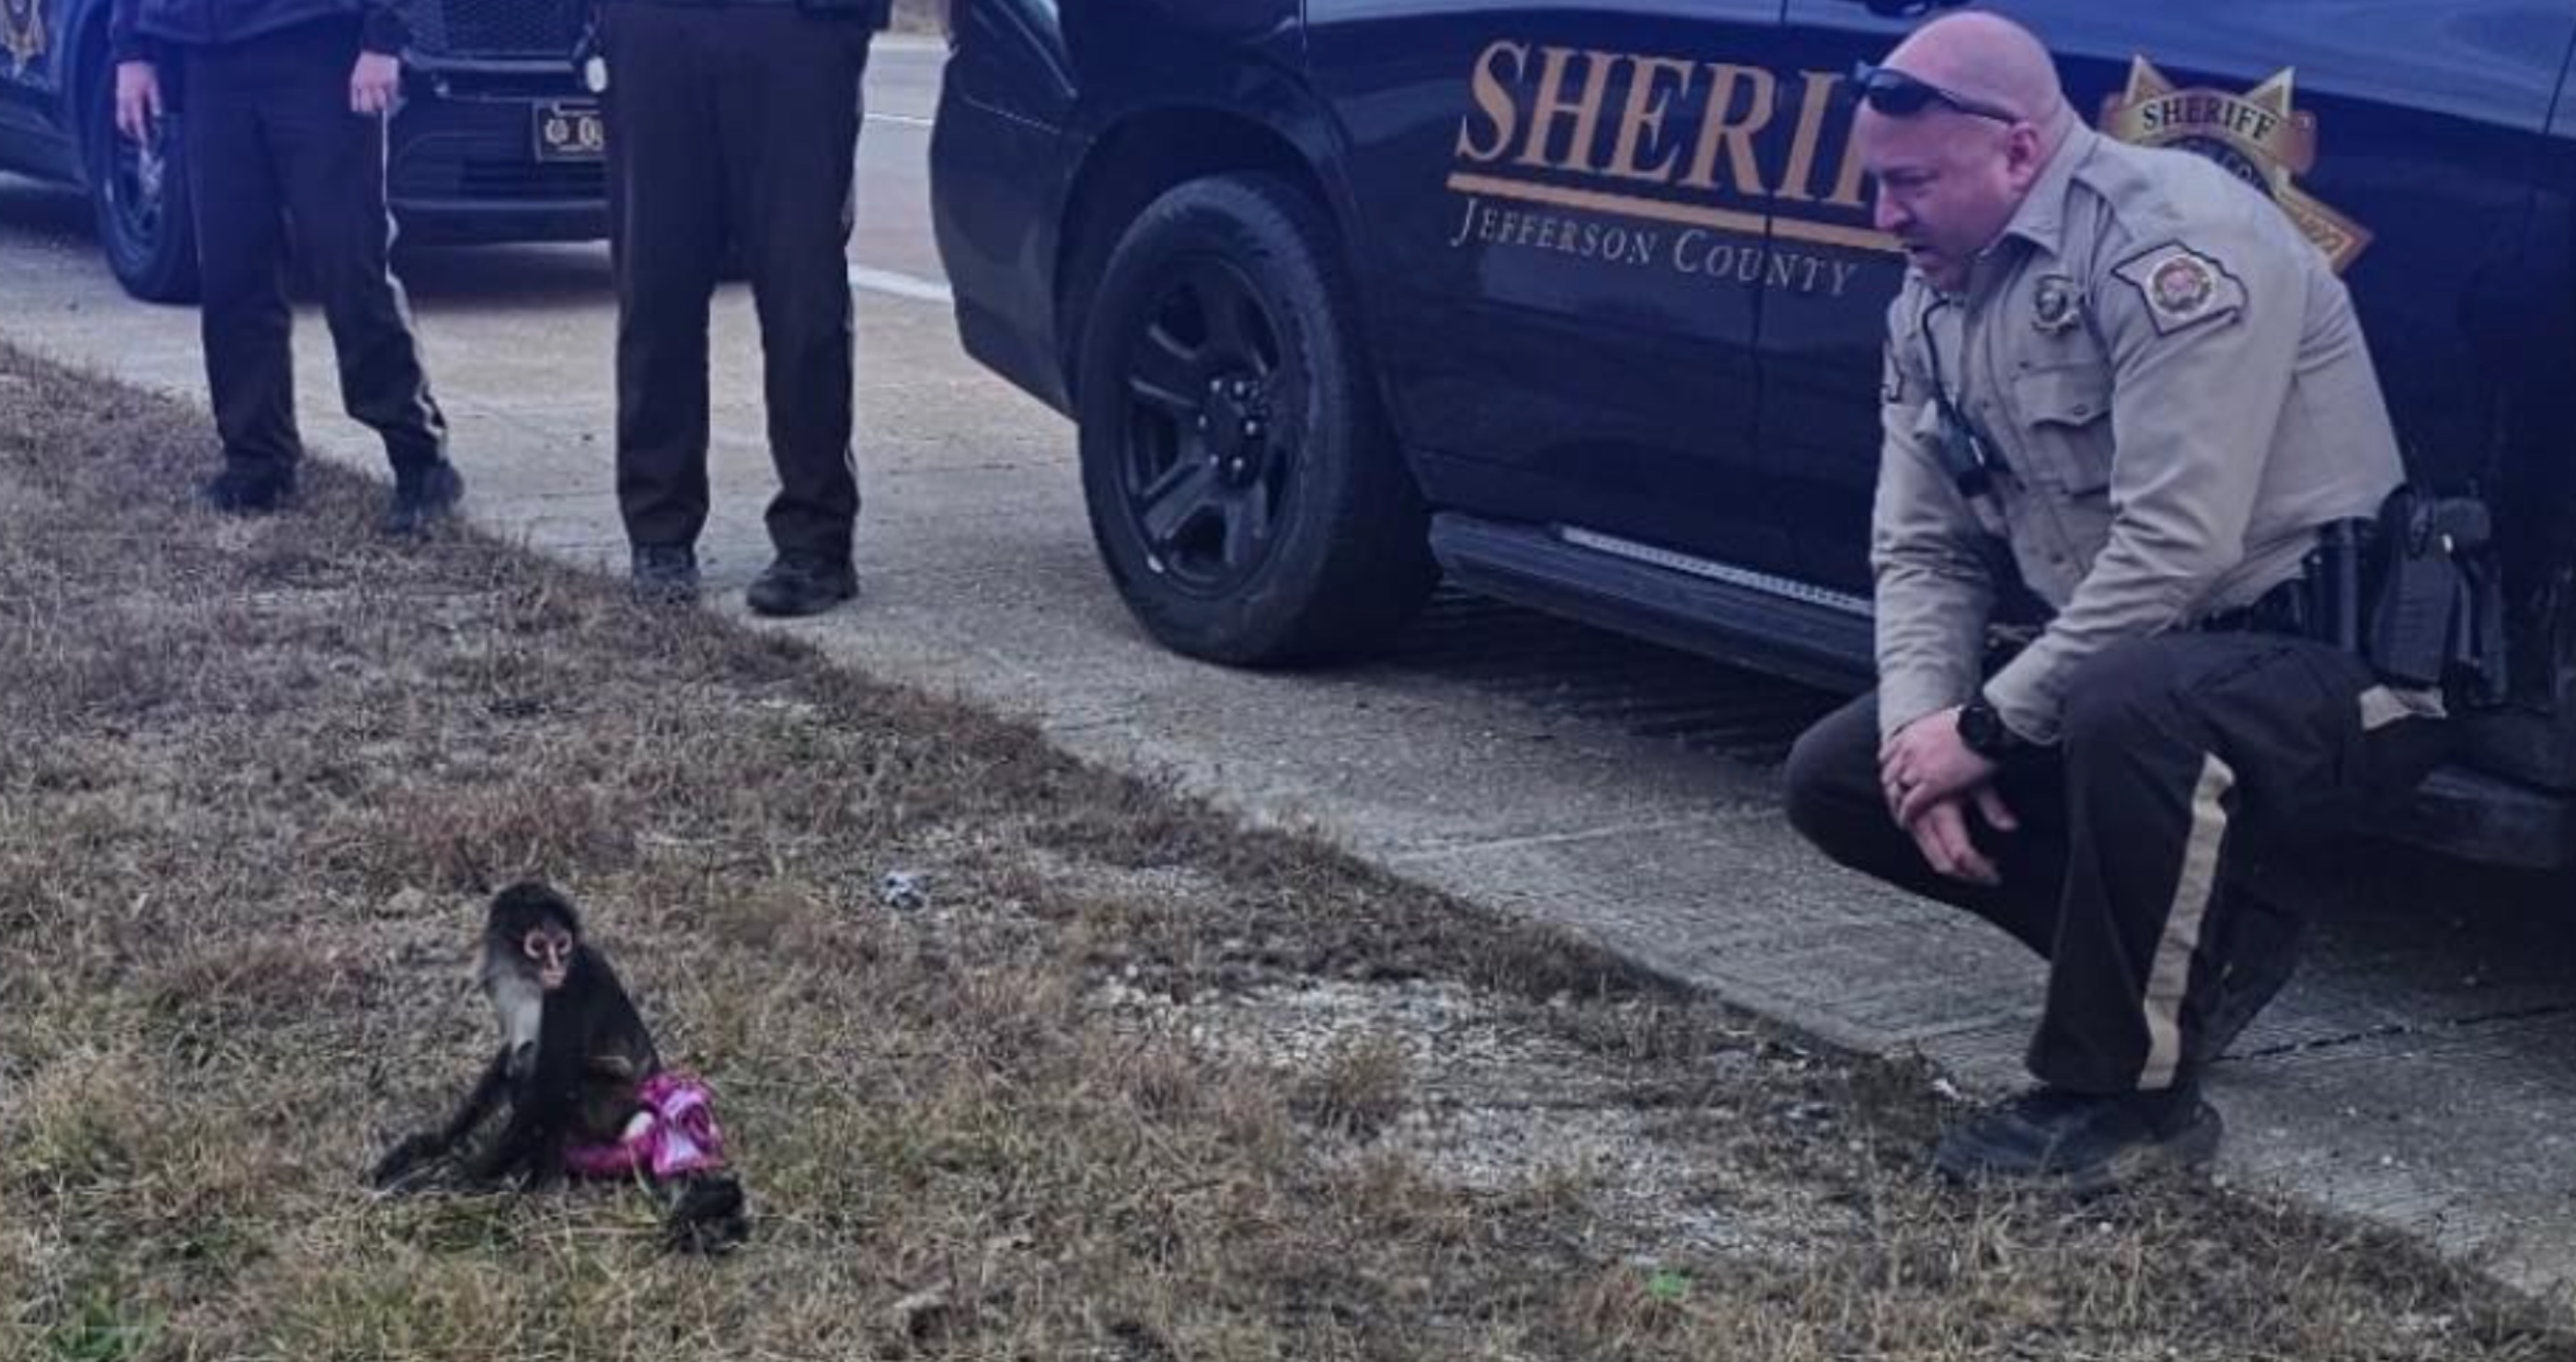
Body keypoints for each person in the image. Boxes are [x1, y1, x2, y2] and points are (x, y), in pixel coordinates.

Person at [1783, 13, 2447, 1192]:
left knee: (2123, 704)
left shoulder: (2176, 246)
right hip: (2152, 668)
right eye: (1876, 183)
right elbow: (1923, 551)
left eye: (1912, 182)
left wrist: (1987, 728)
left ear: (2021, 153)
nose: (1883, 216)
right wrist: (1923, 739)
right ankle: (2204, 963)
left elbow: (2176, 550)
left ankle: (2122, 1101)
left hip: (2335, 671)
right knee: (1844, 775)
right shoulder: (1932, 302)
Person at [110, 0, 464, 536]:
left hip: (319, 49)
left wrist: (384, 39)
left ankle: (421, 461)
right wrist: (131, 50)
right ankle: (256, 463)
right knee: (232, 274)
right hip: (206, 59)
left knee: (350, 267)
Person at [599, 0, 890, 614]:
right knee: (656, 285)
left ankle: (816, 542)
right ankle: (659, 532)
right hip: (656, 31)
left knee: (802, 294)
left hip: (796, 31)